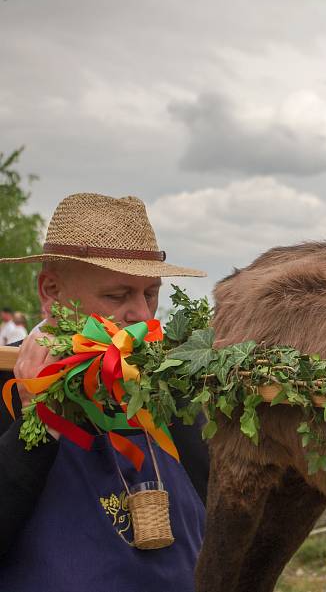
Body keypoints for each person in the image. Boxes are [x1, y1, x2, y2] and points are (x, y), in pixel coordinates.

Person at [0, 193, 209, 591]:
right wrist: (38, 417)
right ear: (51, 292)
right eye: (118, 295)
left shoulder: (168, 390)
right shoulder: (6, 383)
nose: (143, 315)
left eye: (150, 293)